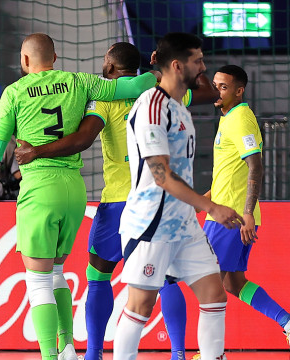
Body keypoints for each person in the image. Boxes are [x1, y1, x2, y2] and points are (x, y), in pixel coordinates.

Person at [13, 41, 221, 360]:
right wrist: (173, 64)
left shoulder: (102, 100)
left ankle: (94, 354)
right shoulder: (165, 92)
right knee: (166, 278)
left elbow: (81, 140)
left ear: (109, 68)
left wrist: (36, 151)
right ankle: (178, 353)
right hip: (164, 201)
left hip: (118, 204)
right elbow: (208, 91)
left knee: (97, 275)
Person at [0, 33, 157, 360]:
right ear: (56, 57)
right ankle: (67, 348)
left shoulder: (14, 92)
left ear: (25, 61)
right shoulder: (81, 82)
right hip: (74, 190)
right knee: (57, 272)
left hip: (39, 188)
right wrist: (156, 74)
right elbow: (133, 86)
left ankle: (51, 355)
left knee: (37, 280)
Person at [111, 32, 245, 360]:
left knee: (214, 294)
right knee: (140, 306)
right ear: (177, 65)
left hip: (183, 223)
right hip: (150, 224)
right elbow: (159, 174)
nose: (203, 67)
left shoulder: (179, 106)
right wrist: (211, 206)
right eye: (197, 61)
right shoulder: (152, 107)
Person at [176, 64, 290, 360]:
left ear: (239, 91)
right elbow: (228, 173)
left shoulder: (240, 120)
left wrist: (247, 213)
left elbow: (255, 166)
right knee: (232, 282)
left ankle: (210, 354)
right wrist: (202, 200)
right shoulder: (227, 118)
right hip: (223, 213)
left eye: (224, 87)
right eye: (215, 85)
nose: (217, 91)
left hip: (231, 218)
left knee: (207, 284)